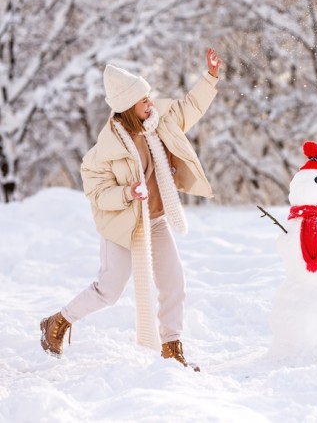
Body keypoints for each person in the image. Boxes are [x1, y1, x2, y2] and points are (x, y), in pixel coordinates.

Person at [40, 48, 222, 372]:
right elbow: (96, 193)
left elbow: (189, 106)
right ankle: (58, 321)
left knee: (173, 282)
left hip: (155, 220)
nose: (150, 104)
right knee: (108, 291)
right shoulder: (104, 150)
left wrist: (210, 77)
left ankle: (172, 348)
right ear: (127, 108)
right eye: (144, 101)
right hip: (123, 226)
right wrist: (127, 192)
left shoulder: (160, 123)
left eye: (149, 97)